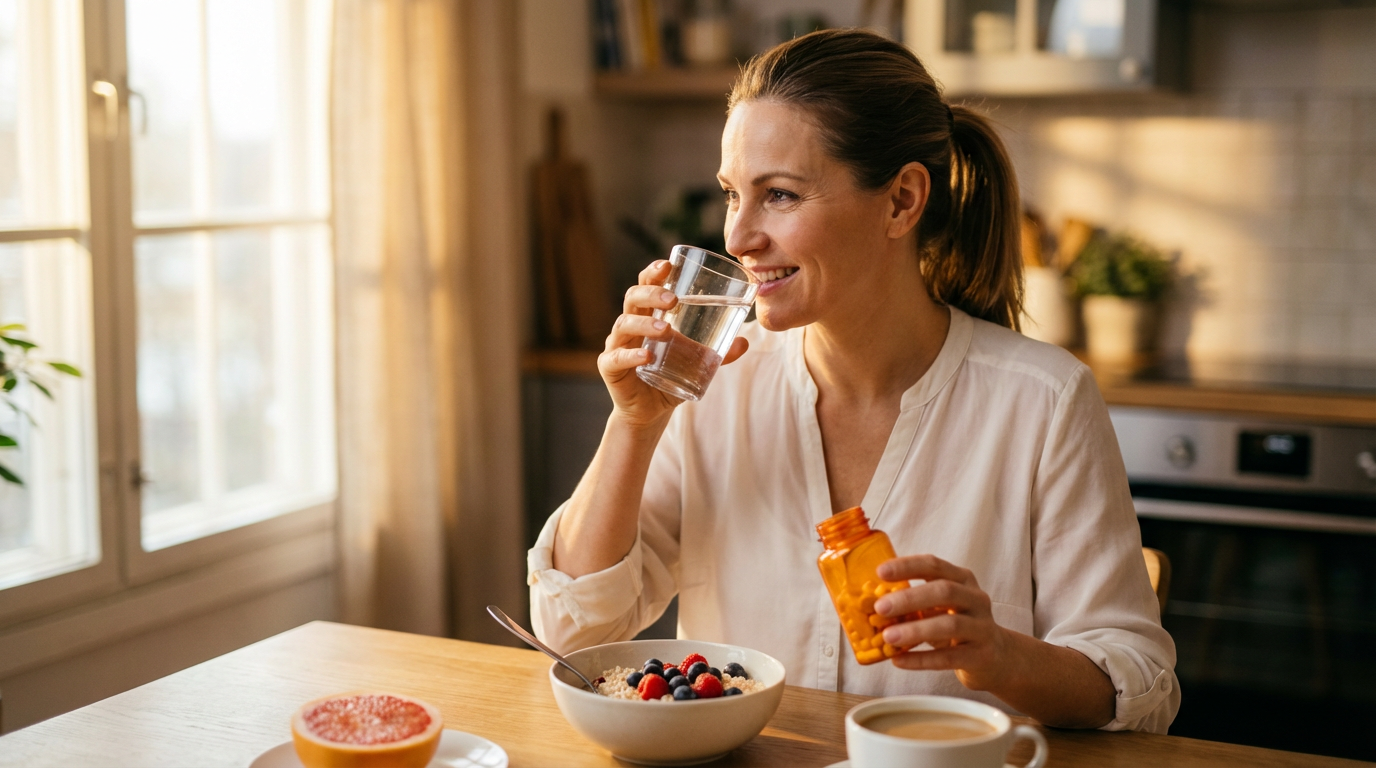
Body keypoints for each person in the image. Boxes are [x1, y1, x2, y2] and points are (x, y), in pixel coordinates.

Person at [528, 29, 1178, 733]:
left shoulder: (1044, 401)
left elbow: (1139, 688)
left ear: (901, 200)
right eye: (733, 195)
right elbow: (572, 630)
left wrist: (998, 655)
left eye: (779, 195)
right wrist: (634, 423)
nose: (738, 237)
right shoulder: (711, 384)